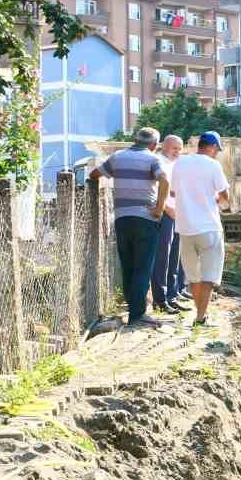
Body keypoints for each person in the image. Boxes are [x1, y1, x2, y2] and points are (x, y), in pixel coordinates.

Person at [90, 127, 169, 329]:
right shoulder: (153, 159)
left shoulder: (117, 157)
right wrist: (159, 209)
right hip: (145, 218)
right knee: (143, 266)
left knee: (128, 265)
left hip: (122, 218)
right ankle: (138, 314)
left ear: (134, 140)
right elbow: (165, 180)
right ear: (154, 145)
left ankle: (132, 305)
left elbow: (94, 174)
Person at [170, 130, 230, 327]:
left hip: (185, 228)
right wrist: (216, 201)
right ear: (212, 147)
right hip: (209, 227)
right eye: (216, 150)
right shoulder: (213, 165)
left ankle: (200, 315)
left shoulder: (180, 162)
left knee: (193, 277)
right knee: (209, 276)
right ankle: (201, 317)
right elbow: (225, 196)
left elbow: (173, 190)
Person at [151, 135, 191, 315]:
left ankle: (173, 294)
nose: (178, 152)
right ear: (164, 146)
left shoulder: (175, 163)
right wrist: (166, 208)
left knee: (175, 254)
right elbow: (153, 190)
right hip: (164, 215)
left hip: (177, 214)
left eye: (180, 148)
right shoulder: (158, 161)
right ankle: (161, 298)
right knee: (163, 257)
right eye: (175, 148)